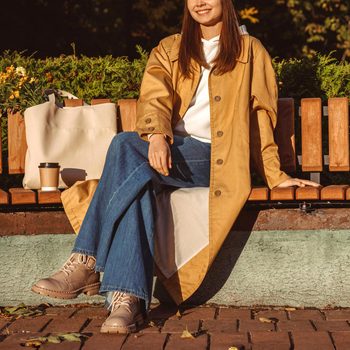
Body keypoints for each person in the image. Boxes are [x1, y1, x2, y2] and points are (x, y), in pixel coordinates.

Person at [31, 0, 319, 334]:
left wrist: (275, 175)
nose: (200, 2)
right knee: (137, 188)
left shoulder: (251, 50)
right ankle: (127, 303)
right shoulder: (169, 48)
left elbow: (260, 116)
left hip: (218, 158)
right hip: (171, 152)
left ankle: (87, 259)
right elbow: (155, 96)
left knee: (125, 145)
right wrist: (155, 136)